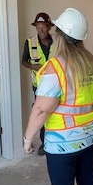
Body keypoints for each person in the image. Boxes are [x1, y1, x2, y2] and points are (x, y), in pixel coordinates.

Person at [23, 8, 93, 185]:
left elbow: (41, 109)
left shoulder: (55, 67)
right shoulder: (91, 63)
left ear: (58, 34)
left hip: (63, 140)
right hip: (90, 133)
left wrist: (29, 138)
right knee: (88, 174)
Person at [21, 12, 54, 155]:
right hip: (39, 86)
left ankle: (55, 140)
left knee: (56, 112)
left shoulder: (58, 42)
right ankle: (44, 142)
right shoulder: (29, 42)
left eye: (44, 27)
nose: (41, 31)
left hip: (56, 84)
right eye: (38, 27)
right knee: (42, 112)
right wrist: (33, 66)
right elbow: (24, 61)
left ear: (49, 27)